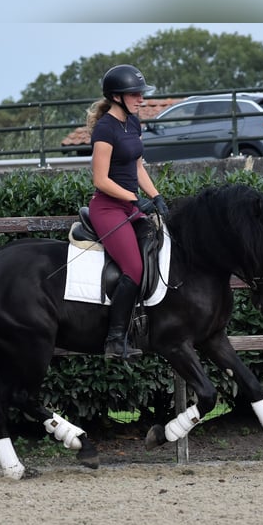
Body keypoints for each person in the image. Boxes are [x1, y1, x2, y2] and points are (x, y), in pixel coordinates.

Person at [86, 64, 169, 360]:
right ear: (117, 97)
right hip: (108, 209)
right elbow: (100, 179)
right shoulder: (105, 129)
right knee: (133, 268)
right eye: (135, 94)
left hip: (129, 206)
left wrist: (156, 196)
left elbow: (136, 167)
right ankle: (114, 339)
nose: (141, 99)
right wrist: (135, 200)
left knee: (159, 248)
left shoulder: (134, 123)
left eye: (141, 94)